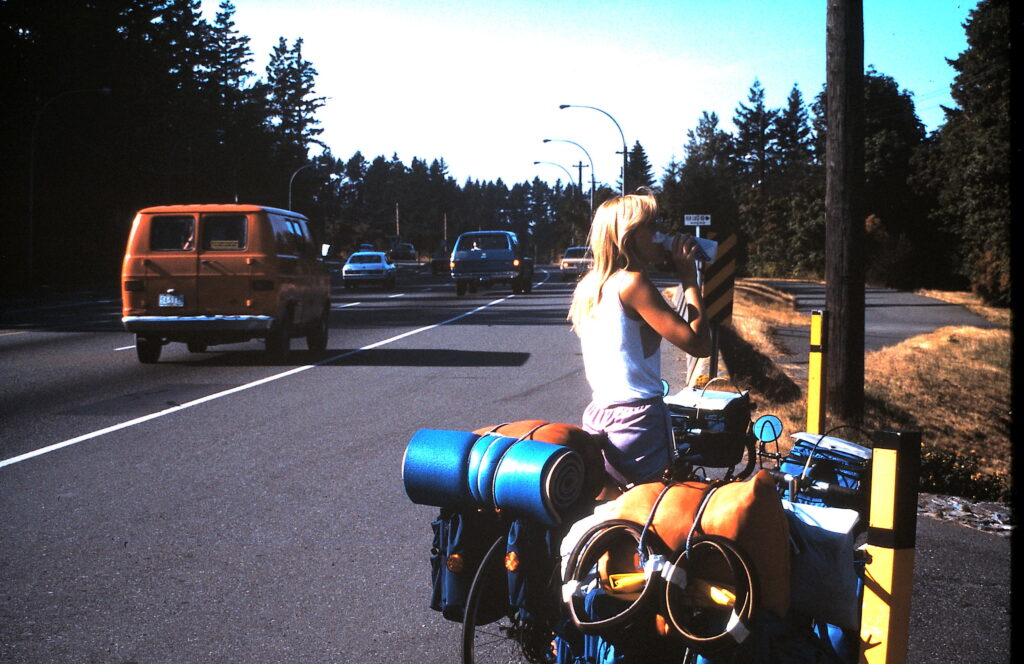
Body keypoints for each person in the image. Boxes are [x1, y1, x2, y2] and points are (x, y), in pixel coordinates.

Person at [568, 192, 711, 496]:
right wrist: (689, 279)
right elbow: (699, 345)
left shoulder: (591, 286)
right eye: (652, 226)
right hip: (638, 420)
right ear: (629, 236)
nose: (660, 235)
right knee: (651, 516)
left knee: (610, 511)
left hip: (599, 416)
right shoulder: (634, 284)